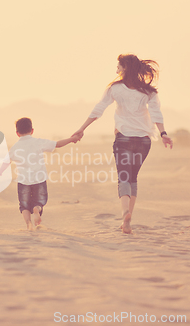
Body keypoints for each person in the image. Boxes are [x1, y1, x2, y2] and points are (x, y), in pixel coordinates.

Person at [72, 54, 173, 234]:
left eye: (118, 66)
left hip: (124, 138)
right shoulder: (149, 91)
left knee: (123, 177)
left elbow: (99, 109)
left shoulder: (115, 89)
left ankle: (125, 213)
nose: (116, 70)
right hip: (143, 140)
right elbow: (157, 114)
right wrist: (164, 134)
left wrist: (82, 129)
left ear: (125, 67)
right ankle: (128, 220)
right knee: (133, 178)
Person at [0, 117, 79, 230]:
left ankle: (28, 224)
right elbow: (57, 144)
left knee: (24, 206)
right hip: (39, 179)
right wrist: (72, 139)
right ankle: (36, 209)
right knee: (39, 201)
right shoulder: (38, 142)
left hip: (23, 182)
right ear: (32, 130)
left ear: (17, 133)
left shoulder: (14, 148)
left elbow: (4, 165)